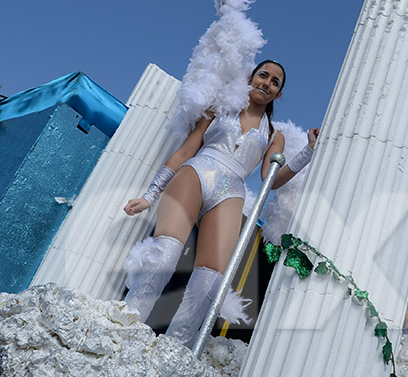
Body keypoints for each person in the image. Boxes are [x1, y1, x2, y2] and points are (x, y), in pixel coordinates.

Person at [122, 60, 319, 343]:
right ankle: (126, 325)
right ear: (250, 78)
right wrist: (149, 196)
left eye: (275, 82)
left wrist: (308, 153)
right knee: (165, 254)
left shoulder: (275, 136)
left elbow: (271, 181)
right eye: (263, 75)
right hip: (197, 172)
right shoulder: (219, 109)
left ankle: (175, 349)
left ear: (278, 94)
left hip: (231, 192)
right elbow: (186, 150)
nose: (267, 83)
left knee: (210, 278)